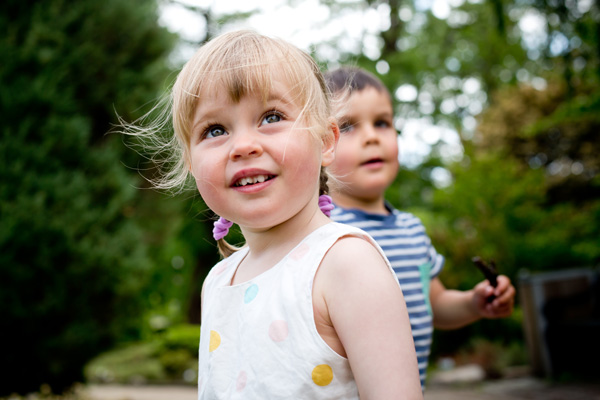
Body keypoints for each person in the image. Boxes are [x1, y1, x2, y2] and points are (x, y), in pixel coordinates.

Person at [125, 32, 423, 399]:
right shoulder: (218, 281)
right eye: (215, 130)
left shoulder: (346, 264)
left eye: (271, 117)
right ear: (189, 162)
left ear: (326, 141)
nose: (244, 146)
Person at [324, 67, 516, 388]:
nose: (372, 136)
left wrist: (474, 302)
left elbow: (435, 305)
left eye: (382, 123)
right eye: (348, 126)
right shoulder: (322, 231)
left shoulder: (412, 231)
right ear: (321, 146)